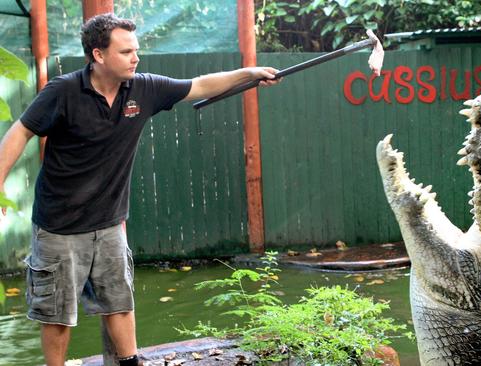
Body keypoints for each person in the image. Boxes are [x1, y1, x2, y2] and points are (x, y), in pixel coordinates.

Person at [0, 13, 280, 366]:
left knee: (118, 301)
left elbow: (199, 85)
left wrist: (250, 74)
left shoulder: (143, 88)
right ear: (99, 55)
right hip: (59, 226)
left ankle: (130, 362)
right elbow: (20, 132)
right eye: (126, 51)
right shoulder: (64, 91)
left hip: (109, 223)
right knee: (56, 314)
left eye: (136, 50)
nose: (136, 57)